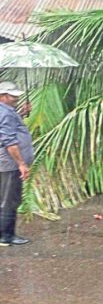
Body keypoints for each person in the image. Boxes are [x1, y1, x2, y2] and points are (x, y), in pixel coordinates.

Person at [0, 82, 33, 247]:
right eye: (12, 96)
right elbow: (10, 142)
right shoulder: (5, 113)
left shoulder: (6, 111)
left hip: (5, 163)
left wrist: (21, 113)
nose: (16, 98)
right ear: (3, 96)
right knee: (9, 200)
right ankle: (5, 236)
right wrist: (21, 163)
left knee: (5, 198)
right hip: (10, 164)